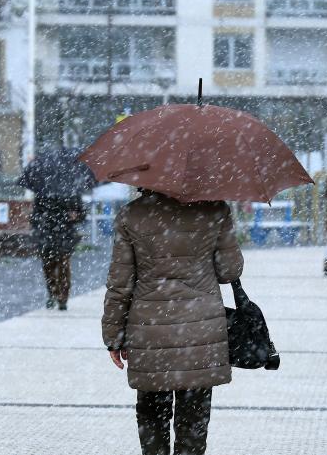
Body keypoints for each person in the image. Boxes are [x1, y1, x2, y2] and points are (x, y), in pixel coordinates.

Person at [103, 190, 243, 455]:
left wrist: (113, 336)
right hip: (200, 331)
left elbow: (120, 285)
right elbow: (229, 271)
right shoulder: (214, 209)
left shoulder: (132, 214)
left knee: (152, 417)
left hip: (149, 332)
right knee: (193, 420)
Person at [31, 194, 86, 310]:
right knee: (49, 268)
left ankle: (62, 298)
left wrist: (76, 216)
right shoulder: (42, 193)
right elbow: (34, 217)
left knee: (63, 267)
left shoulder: (72, 193)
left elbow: (82, 213)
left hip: (65, 236)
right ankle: (52, 293)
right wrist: (43, 219)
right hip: (46, 236)